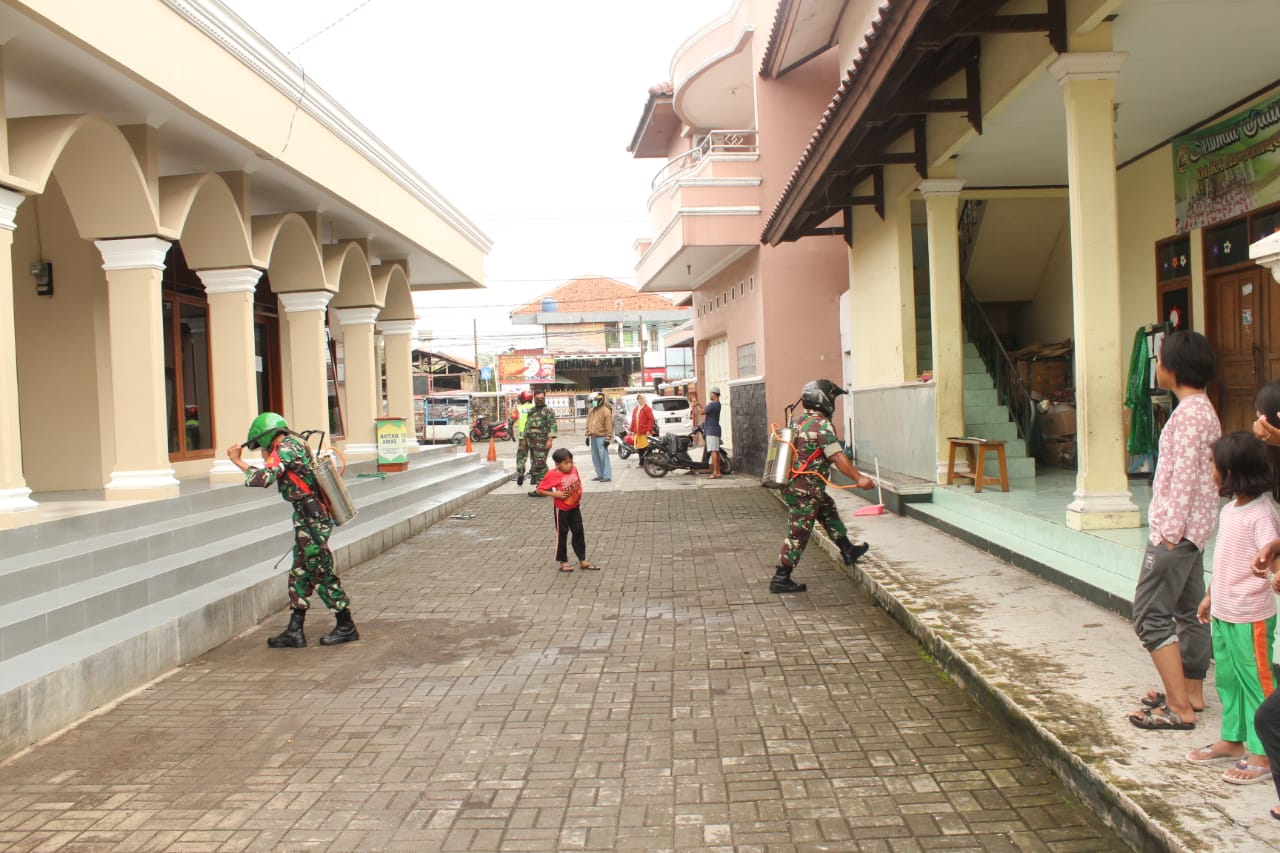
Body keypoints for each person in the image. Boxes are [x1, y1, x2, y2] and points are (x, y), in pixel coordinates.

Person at [1130, 330, 1219, 731]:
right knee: (1190, 611)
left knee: (1149, 615)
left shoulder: (1189, 416)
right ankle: (1192, 692)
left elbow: (1182, 478)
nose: (1158, 365)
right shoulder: (1203, 410)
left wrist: (1167, 532)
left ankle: (1179, 707)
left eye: (1160, 359)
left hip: (1176, 533)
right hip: (1193, 533)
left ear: (1173, 368)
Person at [1184, 431, 1278, 783]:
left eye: (1214, 464)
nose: (1210, 469)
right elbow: (1226, 561)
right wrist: (1211, 595)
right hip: (1224, 611)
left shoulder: (1262, 514)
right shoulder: (1232, 511)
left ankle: (1265, 751)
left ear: (1232, 471)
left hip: (1251, 615)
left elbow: (1272, 558)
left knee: (1257, 682)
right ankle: (1234, 739)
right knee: (1228, 680)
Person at [227, 412, 359, 648]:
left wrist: (237, 461)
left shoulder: (285, 449)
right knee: (299, 573)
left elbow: (264, 477)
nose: (261, 449)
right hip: (307, 518)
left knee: (320, 572)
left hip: (312, 521)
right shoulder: (295, 443)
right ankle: (294, 630)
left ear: (267, 436)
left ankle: (345, 624)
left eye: (261, 444)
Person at [772, 379, 875, 594]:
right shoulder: (822, 425)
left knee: (827, 509)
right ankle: (781, 577)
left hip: (796, 486)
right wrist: (859, 478)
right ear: (824, 400)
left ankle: (847, 549)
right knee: (798, 532)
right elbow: (837, 456)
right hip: (805, 489)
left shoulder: (798, 422)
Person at [534, 448, 598, 573]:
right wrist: (555, 494)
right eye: (566, 463)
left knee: (579, 531)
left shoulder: (574, 469)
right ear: (557, 464)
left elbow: (577, 483)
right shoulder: (552, 474)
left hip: (574, 506)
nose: (569, 465)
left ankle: (582, 559)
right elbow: (539, 490)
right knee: (562, 534)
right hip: (562, 509)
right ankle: (563, 562)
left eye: (571, 462)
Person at [523, 388, 558, 496]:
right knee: (537, 464)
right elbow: (527, 425)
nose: (539, 400)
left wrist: (550, 439)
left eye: (542, 398)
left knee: (540, 464)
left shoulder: (548, 411)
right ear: (534, 398)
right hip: (531, 442)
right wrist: (524, 440)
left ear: (545, 398)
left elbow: (553, 425)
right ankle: (545, 487)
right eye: (537, 398)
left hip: (542, 442)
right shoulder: (532, 410)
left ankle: (542, 489)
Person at [585, 392, 613, 482]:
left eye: (593, 401)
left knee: (603, 457)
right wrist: (587, 436)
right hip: (593, 437)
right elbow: (588, 423)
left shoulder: (606, 411)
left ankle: (607, 475)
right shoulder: (591, 410)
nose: (592, 402)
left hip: (602, 437)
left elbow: (609, 426)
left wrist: (608, 438)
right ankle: (600, 474)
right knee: (595, 457)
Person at [513, 390, 534, 486]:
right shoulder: (535, 408)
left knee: (521, 456)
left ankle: (520, 471)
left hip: (522, 437)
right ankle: (534, 476)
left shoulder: (518, 408)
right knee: (534, 456)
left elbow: (512, 420)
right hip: (534, 436)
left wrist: (511, 433)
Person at [702, 387, 724, 479]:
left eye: (710, 393)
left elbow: (702, 412)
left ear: (714, 394)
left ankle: (715, 472)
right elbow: (704, 411)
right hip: (715, 429)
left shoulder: (713, 404)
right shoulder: (718, 404)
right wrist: (697, 404)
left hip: (711, 430)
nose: (710, 395)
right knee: (716, 451)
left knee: (713, 451)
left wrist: (695, 405)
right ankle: (718, 472)